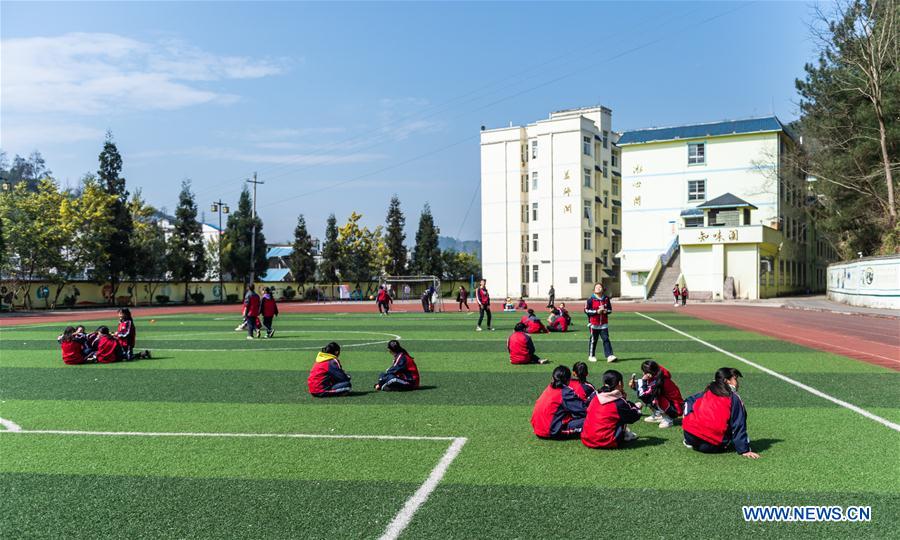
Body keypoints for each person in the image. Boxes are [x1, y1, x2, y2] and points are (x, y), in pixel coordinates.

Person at [682, 367, 759, 458]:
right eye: (735, 379)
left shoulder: (707, 391)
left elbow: (687, 402)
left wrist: (687, 418)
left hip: (690, 436)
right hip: (710, 445)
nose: (738, 383)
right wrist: (744, 450)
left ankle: (689, 440)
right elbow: (738, 424)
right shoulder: (734, 397)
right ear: (727, 381)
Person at [581, 370, 641, 449]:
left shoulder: (595, 395)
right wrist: (637, 408)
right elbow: (633, 417)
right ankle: (625, 434)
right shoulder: (619, 402)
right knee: (623, 415)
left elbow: (586, 404)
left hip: (586, 439)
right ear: (620, 383)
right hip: (607, 442)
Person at [531, 365, 587, 439]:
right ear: (568, 380)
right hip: (552, 431)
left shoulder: (549, 388)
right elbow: (583, 410)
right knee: (592, 420)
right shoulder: (565, 392)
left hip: (538, 429)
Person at [629, 360, 684, 429]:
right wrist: (635, 385)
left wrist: (642, 381)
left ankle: (668, 419)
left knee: (653, 398)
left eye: (644, 372)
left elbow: (643, 394)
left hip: (675, 408)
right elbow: (647, 389)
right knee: (652, 397)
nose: (643, 373)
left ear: (649, 373)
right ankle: (658, 415)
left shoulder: (659, 381)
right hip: (673, 405)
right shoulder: (657, 377)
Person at [584, 283, 616, 363]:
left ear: (603, 289)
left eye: (600, 287)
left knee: (606, 339)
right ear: (594, 290)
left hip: (604, 323)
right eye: (596, 287)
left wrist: (605, 311)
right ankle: (591, 356)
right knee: (593, 340)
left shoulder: (606, 299)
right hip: (593, 323)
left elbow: (610, 310)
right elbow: (586, 310)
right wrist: (596, 311)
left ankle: (609, 355)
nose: (598, 288)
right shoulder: (590, 299)